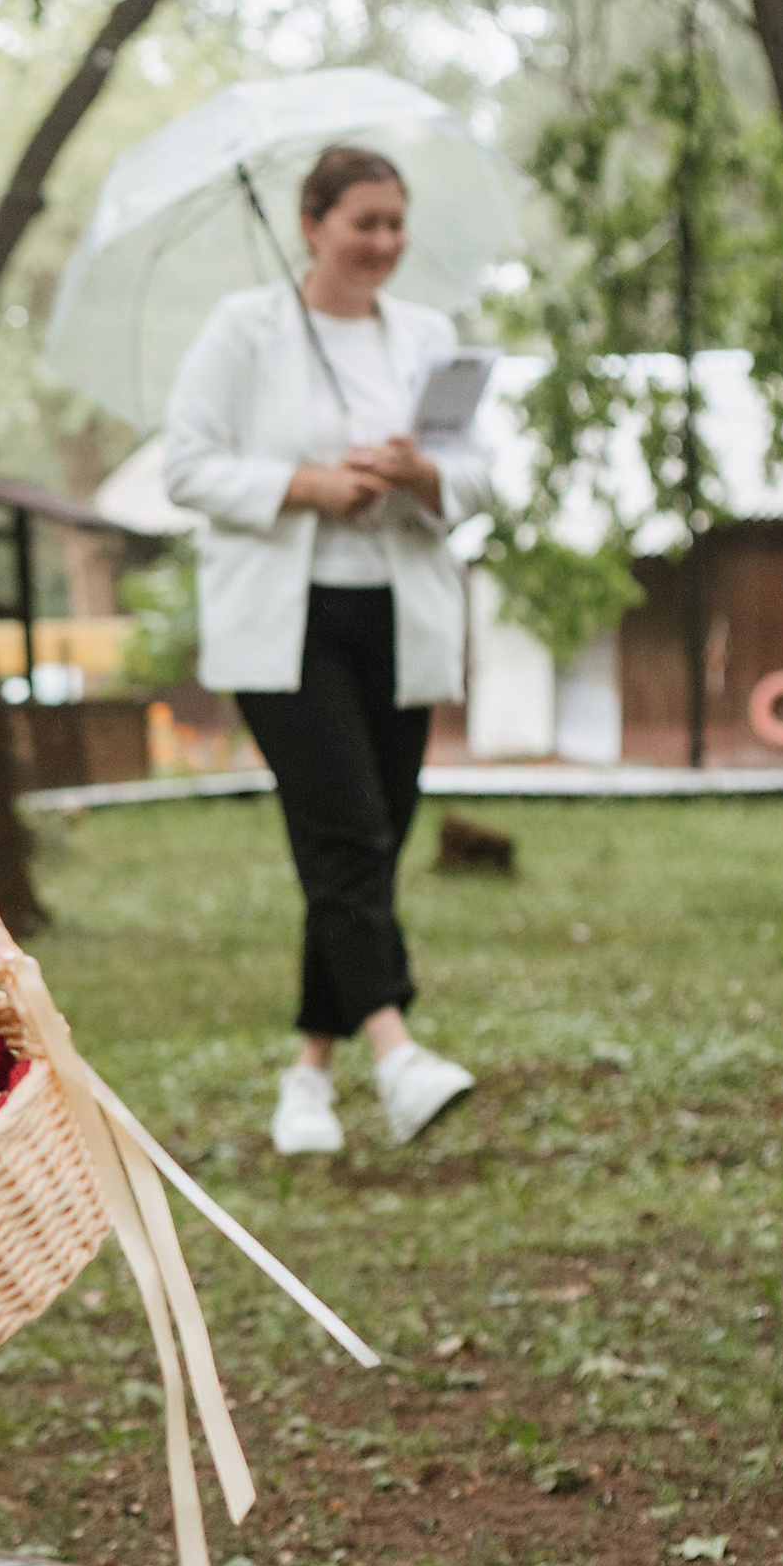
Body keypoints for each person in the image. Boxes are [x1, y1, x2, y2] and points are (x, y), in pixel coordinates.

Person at [161, 140, 494, 1157]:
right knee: (346, 834)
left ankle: (308, 1076)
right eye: (363, 223)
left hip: (398, 616)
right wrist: (303, 484)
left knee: (369, 845)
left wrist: (417, 473)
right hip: (287, 620)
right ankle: (396, 1054)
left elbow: (479, 476)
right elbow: (186, 467)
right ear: (312, 223)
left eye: (395, 224)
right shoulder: (245, 330)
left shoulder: (430, 337)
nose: (383, 243)